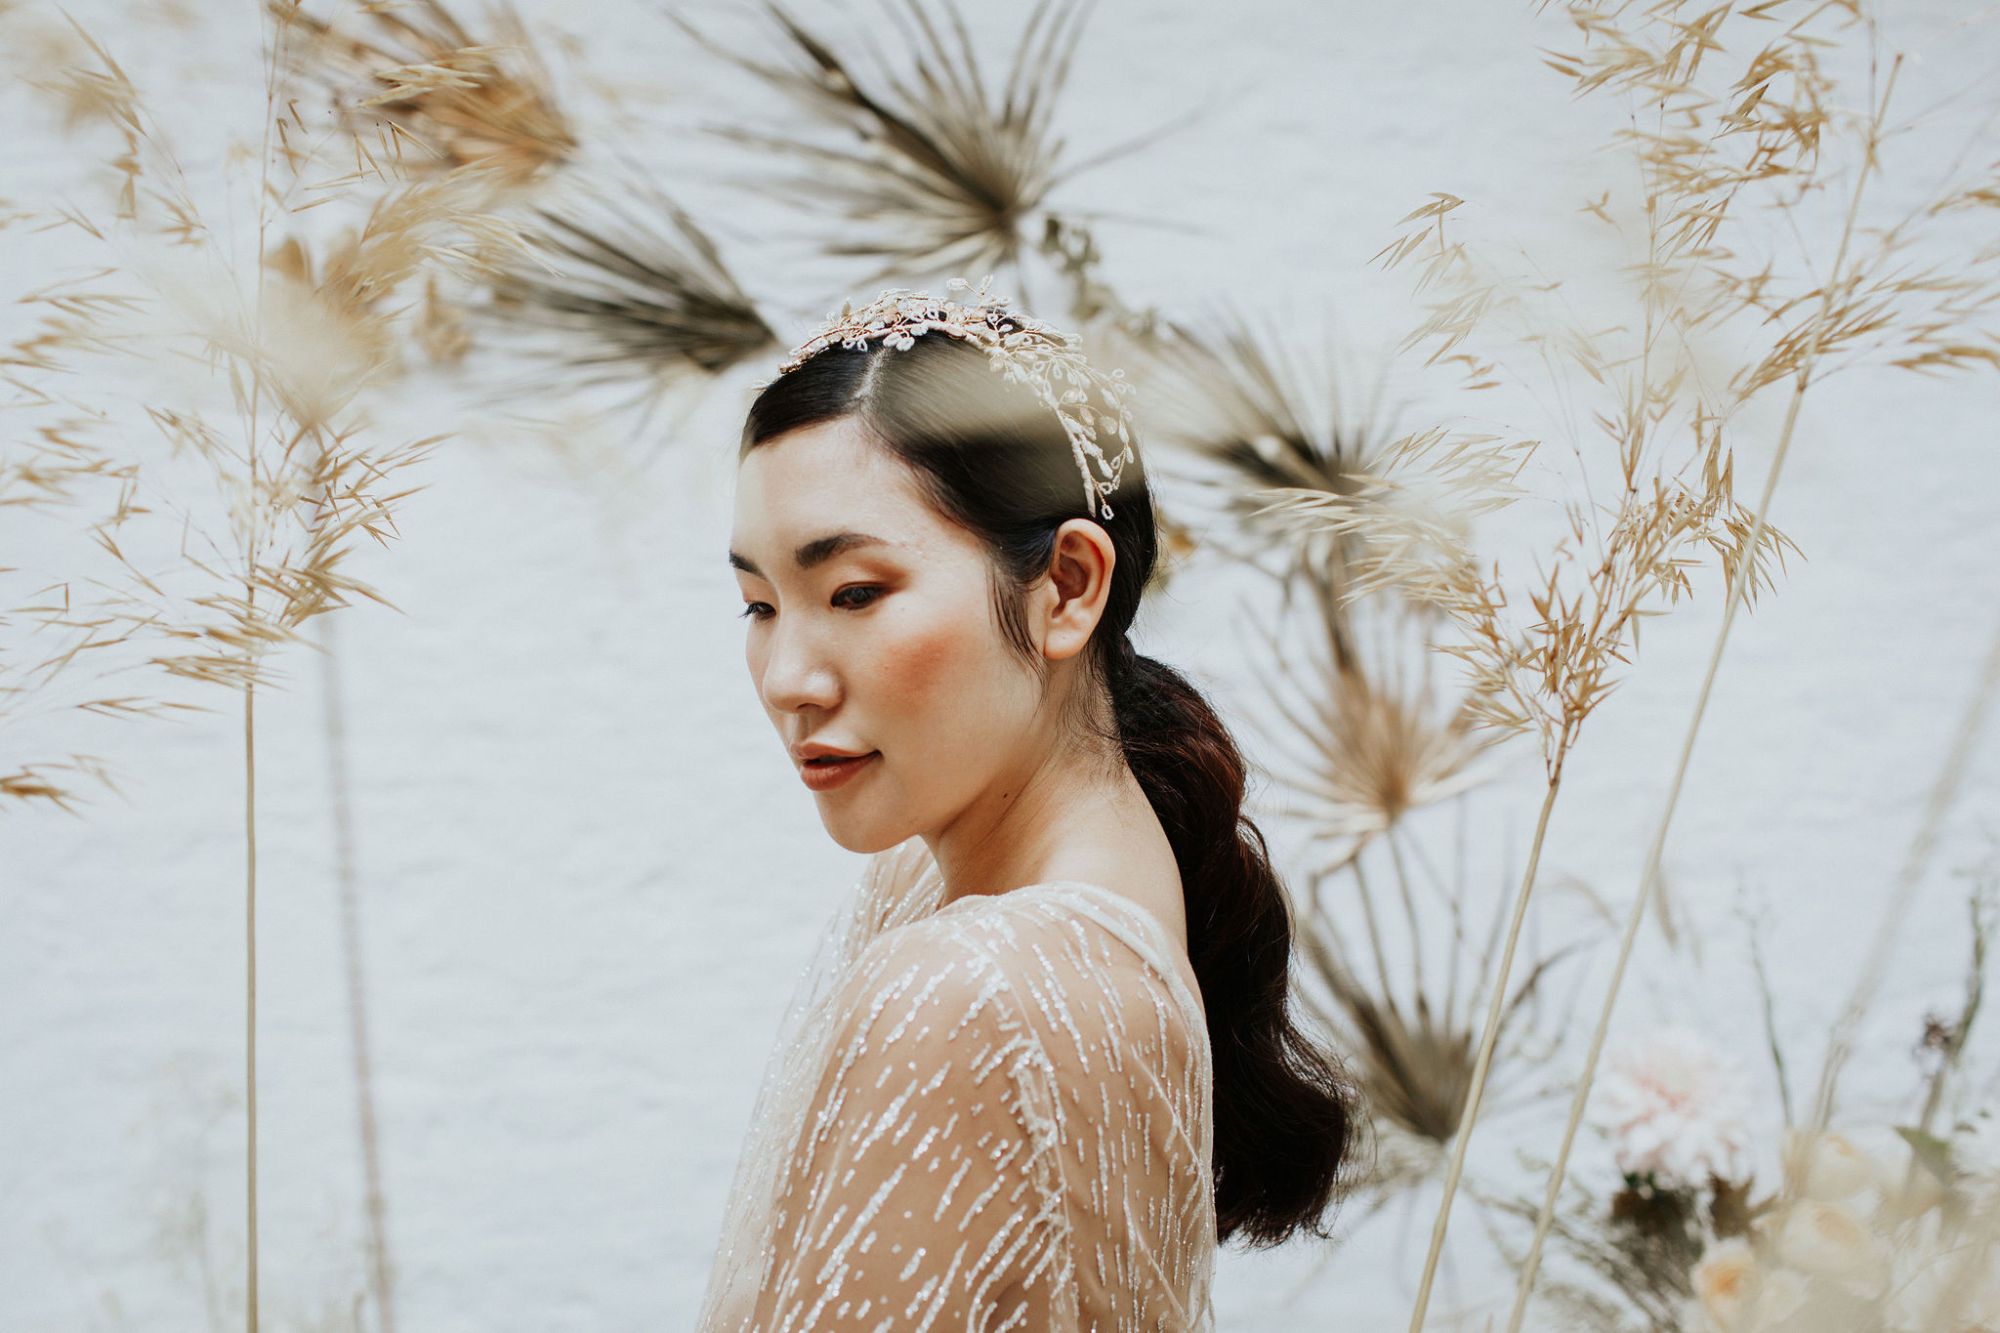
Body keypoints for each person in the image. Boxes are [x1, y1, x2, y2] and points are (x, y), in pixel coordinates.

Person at [699, 279, 1359, 1331]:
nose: (787, 676)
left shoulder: (970, 986)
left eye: (854, 593)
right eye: (759, 604)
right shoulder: (1010, 884)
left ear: (1065, 586)